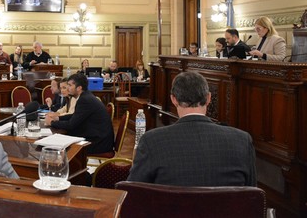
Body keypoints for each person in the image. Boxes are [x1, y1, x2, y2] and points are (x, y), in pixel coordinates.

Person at [128, 71, 256, 187]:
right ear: (208, 98)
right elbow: (253, 195)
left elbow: (133, 194)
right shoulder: (242, 141)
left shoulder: (152, 141)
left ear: (173, 99)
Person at [45, 73, 114, 154]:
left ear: (79, 88)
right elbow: (76, 116)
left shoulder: (84, 100)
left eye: (70, 85)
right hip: (97, 137)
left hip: (98, 142)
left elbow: (71, 125)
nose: (67, 88)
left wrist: (52, 122)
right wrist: (58, 118)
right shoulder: (85, 96)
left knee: (61, 145)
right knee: (63, 139)